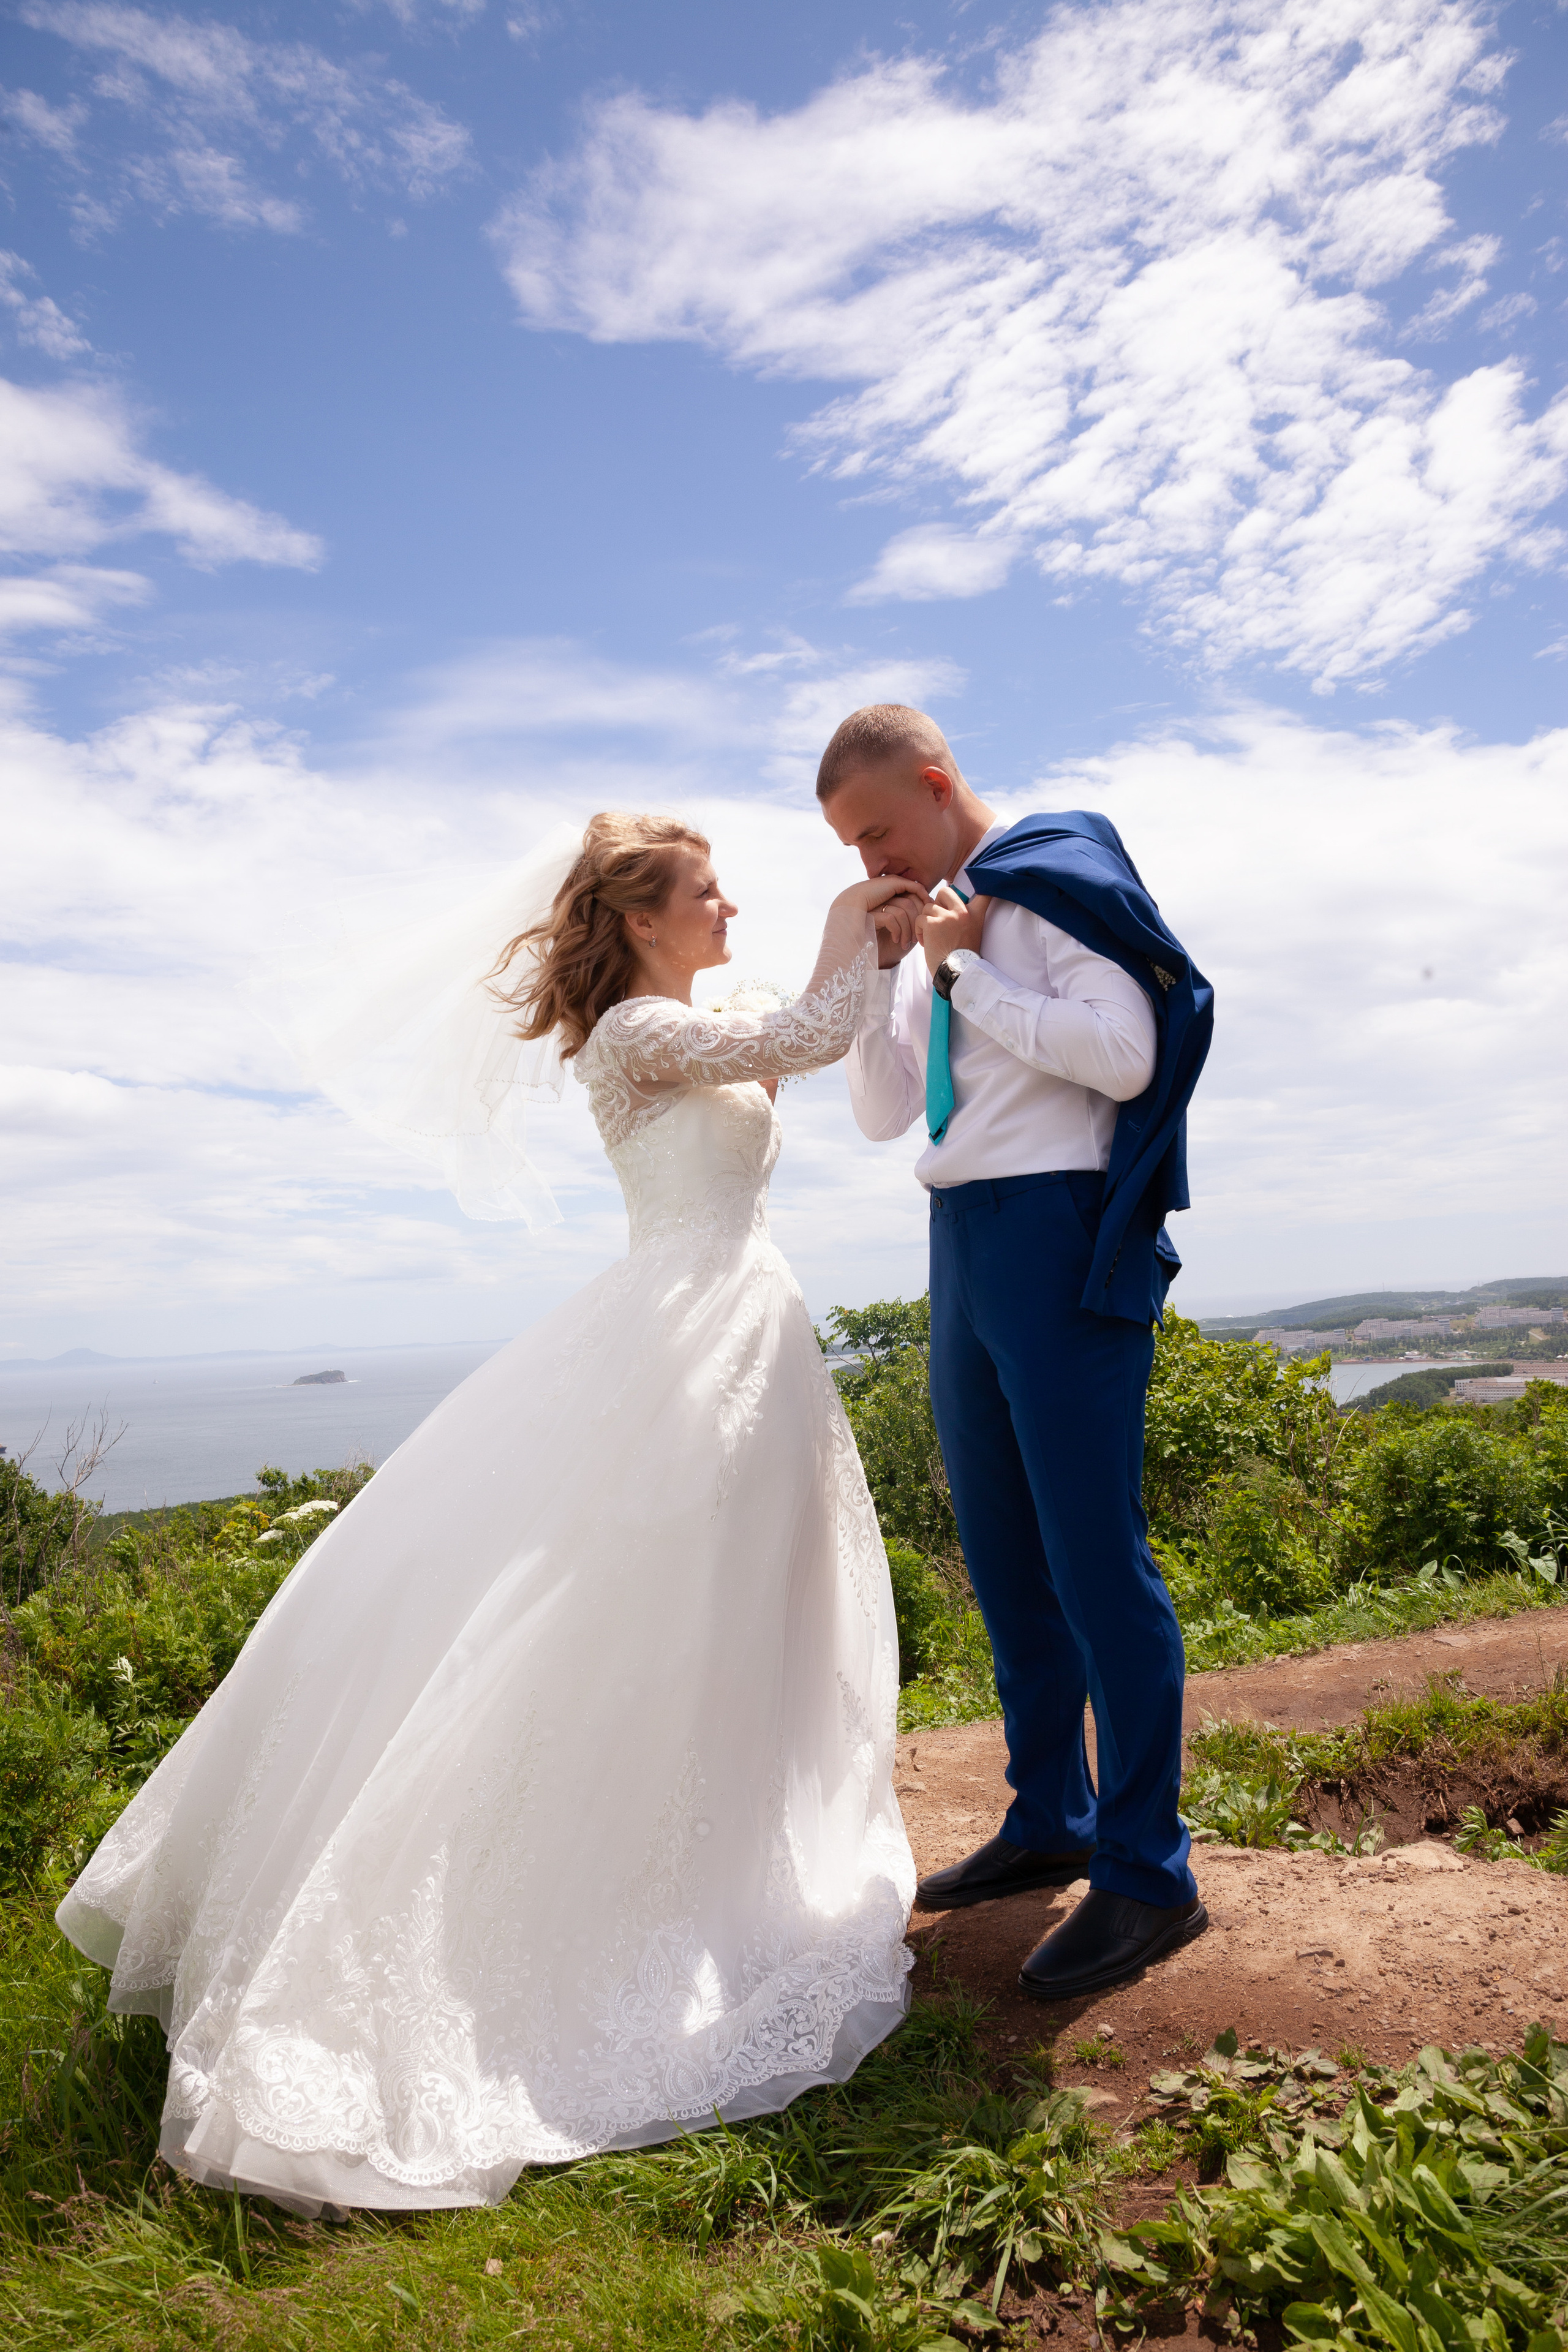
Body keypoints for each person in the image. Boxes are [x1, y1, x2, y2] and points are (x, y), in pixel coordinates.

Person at [56, 812, 927, 2215]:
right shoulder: (635, 1038)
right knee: (637, 1616)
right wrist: (850, 921)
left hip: (743, 1337)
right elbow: (816, 1029)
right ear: (642, 919)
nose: (732, 908)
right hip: (681, 1342)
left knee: (746, 1602)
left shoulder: (706, 1015)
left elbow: (807, 1026)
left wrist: (889, 954)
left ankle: (722, 1837)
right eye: (708, 892)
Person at [819, 706, 1214, 2004]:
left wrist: (964, 973)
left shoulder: (1041, 882)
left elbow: (1124, 1054)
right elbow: (884, 1115)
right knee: (1001, 1552)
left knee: (1096, 1557)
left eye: (879, 826)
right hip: (958, 1237)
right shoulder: (936, 918)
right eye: (848, 844)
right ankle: (1051, 1813)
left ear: (936, 784)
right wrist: (893, 967)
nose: (873, 854)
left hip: (1053, 1227)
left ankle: (1148, 1873)